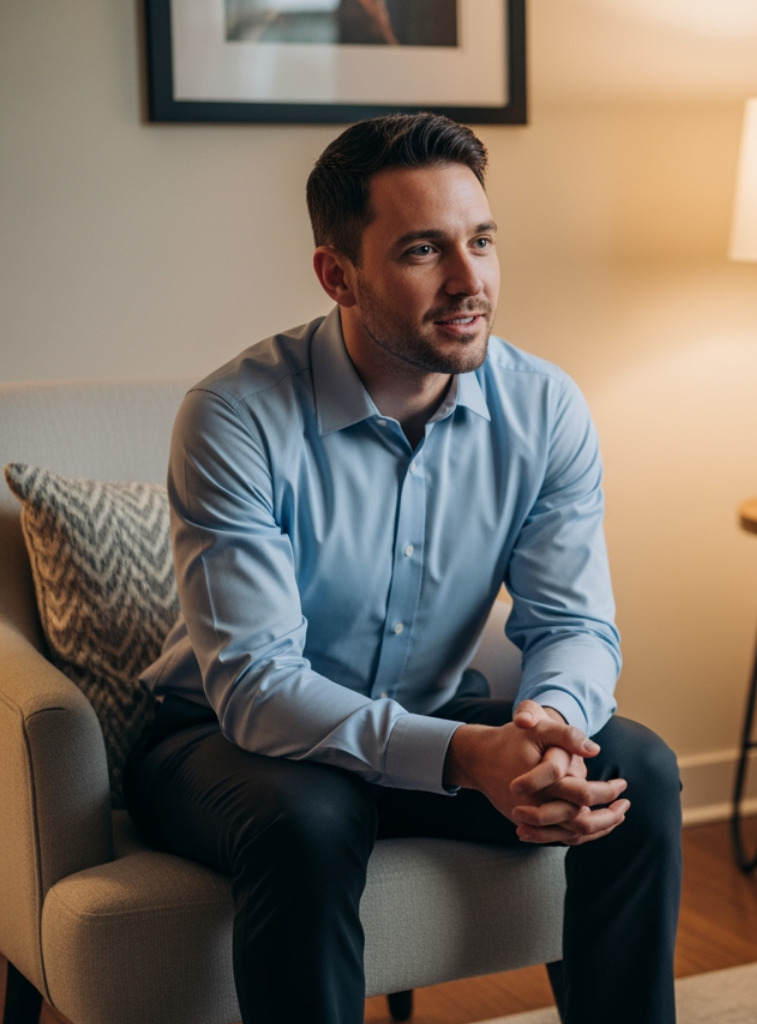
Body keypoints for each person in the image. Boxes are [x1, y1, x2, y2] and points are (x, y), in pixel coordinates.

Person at [124, 113, 682, 1024]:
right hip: (221, 741)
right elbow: (259, 688)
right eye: (425, 250)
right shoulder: (235, 417)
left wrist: (549, 728)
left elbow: (573, 625)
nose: (471, 283)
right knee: (310, 815)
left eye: (483, 241)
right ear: (337, 274)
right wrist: (468, 756)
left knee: (637, 769)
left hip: (428, 715)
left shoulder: (544, 408)